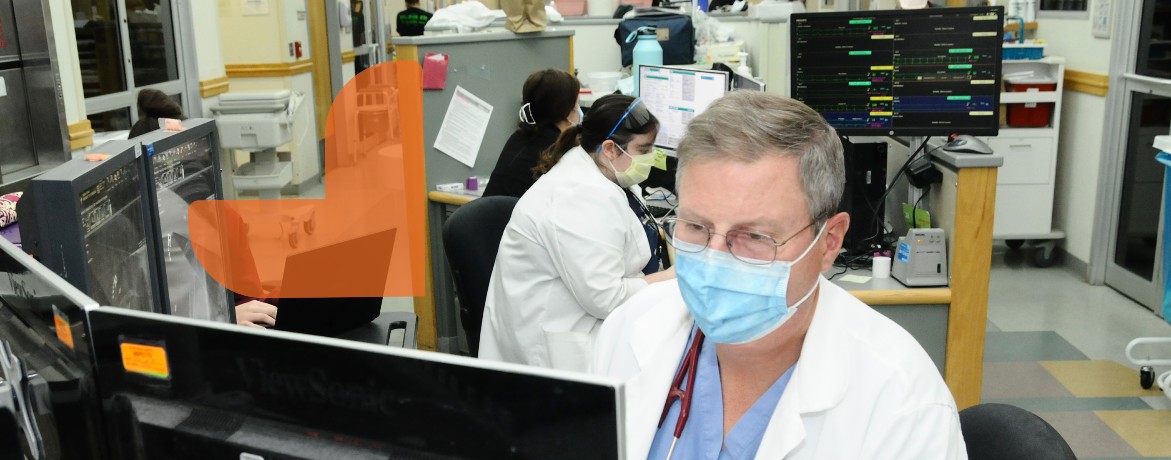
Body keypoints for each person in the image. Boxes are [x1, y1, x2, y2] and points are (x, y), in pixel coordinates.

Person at [592, 92, 965, 459]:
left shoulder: (905, 405)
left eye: (755, 236)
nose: (713, 258)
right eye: (695, 226)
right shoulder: (630, 328)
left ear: (829, 242)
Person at [479, 95, 675, 372]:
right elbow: (606, 298)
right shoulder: (578, 196)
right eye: (644, 149)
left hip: (585, 320)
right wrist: (669, 278)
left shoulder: (602, 172)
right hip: (557, 350)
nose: (651, 157)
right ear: (609, 149)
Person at [482, 69, 581, 199]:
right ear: (566, 111)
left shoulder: (519, 137)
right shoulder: (561, 149)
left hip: (495, 217)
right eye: (577, 104)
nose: (579, 110)